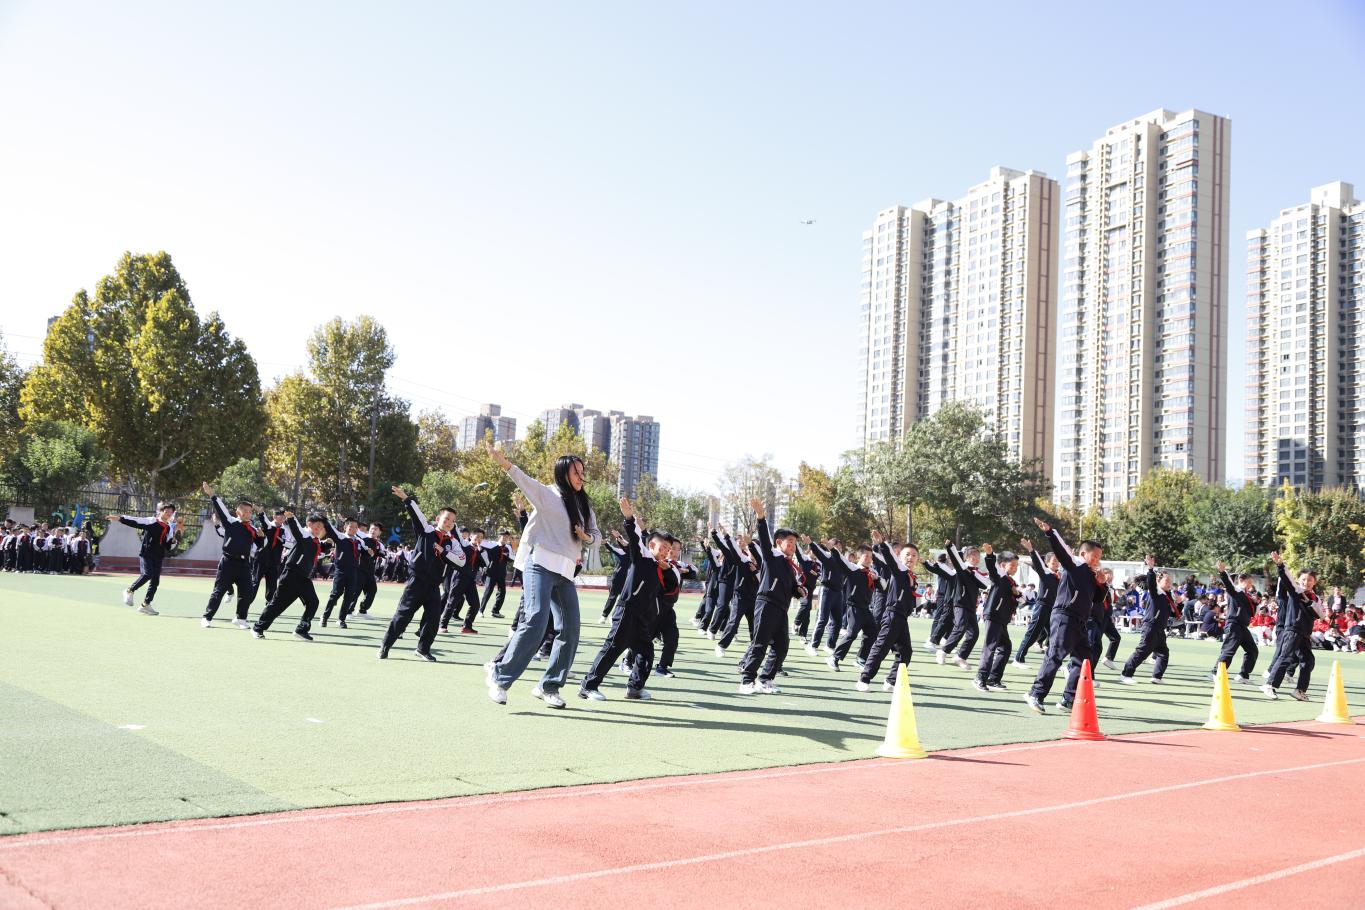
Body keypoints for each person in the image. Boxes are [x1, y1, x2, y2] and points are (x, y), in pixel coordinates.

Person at [484, 444, 600, 708]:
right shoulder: (548, 494)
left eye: (583, 472)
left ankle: (549, 686)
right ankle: (500, 677)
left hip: (565, 573)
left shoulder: (584, 505)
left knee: (570, 629)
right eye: (576, 473)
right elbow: (522, 479)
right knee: (536, 618)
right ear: (562, 473)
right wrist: (503, 462)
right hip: (540, 565)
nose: (581, 477)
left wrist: (587, 537)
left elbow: (597, 537)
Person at [579, 499, 665, 701]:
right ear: (652, 545)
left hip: (641, 618)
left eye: (669, 549)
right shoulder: (642, 556)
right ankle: (588, 686)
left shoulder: (657, 565)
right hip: (627, 612)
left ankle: (634, 688)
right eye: (663, 547)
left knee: (646, 652)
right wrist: (629, 518)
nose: (666, 551)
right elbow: (636, 540)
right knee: (612, 649)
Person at [1025, 517, 1102, 714]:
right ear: (1083, 553)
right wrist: (1050, 532)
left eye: (1099, 558)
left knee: (1084, 660)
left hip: (1080, 621)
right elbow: (1061, 551)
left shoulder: (1092, 575)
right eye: (1094, 557)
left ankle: (1068, 699)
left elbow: (1098, 599)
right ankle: (1036, 693)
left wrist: (1102, 583)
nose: (1097, 561)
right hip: (1064, 616)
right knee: (1055, 656)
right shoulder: (1075, 565)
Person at [379, 486, 465, 662]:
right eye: (446, 519)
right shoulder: (426, 530)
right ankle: (385, 645)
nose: (449, 522)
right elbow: (416, 513)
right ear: (438, 519)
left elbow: (461, 561)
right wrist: (405, 498)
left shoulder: (453, 542)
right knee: (403, 616)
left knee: (433, 619)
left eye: (452, 521)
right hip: (416, 582)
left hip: (434, 586)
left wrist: (444, 552)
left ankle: (423, 649)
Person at [737, 497, 805, 694]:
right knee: (760, 643)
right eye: (789, 542)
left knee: (782, 646)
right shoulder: (772, 555)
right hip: (766, 603)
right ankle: (746, 681)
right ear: (779, 543)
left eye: (794, 543)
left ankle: (765, 679)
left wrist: (798, 591)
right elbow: (764, 540)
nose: (793, 546)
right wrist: (760, 517)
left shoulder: (790, 566)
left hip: (781, 608)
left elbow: (793, 587)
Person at [251, 510, 326, 640]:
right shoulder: (305, 534)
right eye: (317, 526)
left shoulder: (315, 541)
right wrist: (291, 518)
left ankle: (301, 629)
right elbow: (296, 529)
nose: (319, 529)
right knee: (277, 605)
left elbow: (315, 552)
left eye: (321, 527)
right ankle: (258, 628)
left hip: (304, 578)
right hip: (291, 575)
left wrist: (327, 544)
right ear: (309, 524)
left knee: (313, 602)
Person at [199, 483, 264, 629]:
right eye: (245, 510)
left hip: (244, 564)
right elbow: (221, 510)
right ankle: (207, 617)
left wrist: (261, 537)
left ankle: (241, 619)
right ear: (238, 512)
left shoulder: (252, 529)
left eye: (250, 511)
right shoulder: (231, 522)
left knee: (246, 592)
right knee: (219, 591)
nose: (248, 513)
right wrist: (212, 495)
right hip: (228, 562)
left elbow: (259, 545)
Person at [861, 533, 918, 692]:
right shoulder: (899, 569)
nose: (910, 558)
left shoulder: (912, 576)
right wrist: (882, 544)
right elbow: (891, 558)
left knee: (905, 652)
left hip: (902, 618)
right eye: (907, 554)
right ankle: (864, 678)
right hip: (892, 614)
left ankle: (891, 681)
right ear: (900, 556)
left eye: (914, 555)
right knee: (881, 647)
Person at [1262, 550, 1323, 701]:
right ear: (1299, 580)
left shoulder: (1315, 598)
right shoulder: (1295, 591)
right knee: (1285, 657)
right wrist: (1280, 565)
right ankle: (1270, 685)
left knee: (1308, 661)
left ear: (1314, 582)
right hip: (1292, 629)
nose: (1306, 582)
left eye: (1309, 580)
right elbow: (1286, 577)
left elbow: (1321, 614)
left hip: (1304, 633)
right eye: (1303, 579)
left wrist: (1309, 603)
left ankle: (1299, 691)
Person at [110, 502, 177, 615]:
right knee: (147, 574)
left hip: (158, 556)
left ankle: (145, 605)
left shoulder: (169, 527)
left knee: (155, 581)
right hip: (147, 553)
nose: (168, 514)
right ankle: (129, 590)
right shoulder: (152, 521)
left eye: (171, 512)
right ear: (161, 511)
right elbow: (136, 521)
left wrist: (173, 541)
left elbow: (168, 545)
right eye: (166, 511)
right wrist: (120, 518)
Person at [972, 543, 1020, 692]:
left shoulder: (1011, 582)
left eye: (1016, 566)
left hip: (1002, 618)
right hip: (993, 615)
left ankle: (994, 679)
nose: (1015, 568)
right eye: (1012, 566)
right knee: (990, 647)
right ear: (1003, 565)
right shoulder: (999, 576)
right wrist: (990, 554)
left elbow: (1018, 599)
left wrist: (1017, 594)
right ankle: (980, 678)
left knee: (1006, 647)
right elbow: (992, 568)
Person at [1117, 555, 1173, 685]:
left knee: (1163, 653)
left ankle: (1156, 676)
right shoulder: (1156, 592)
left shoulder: (1166, 595)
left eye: (1170, 581)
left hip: (1159, 628)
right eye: (1167, 581)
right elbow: (1152, 583)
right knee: (1142, 651)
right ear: (1159, 582)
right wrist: (1151, 569)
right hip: (1151, 626)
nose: (1169, 583)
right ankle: (1125, 674)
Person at [937, 542, 988, 668]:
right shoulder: (962, 568)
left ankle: (960, 656)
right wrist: (950, 547)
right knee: (960, 627)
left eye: (977, 555)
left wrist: (974, 573)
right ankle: (943, 651)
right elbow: (956, 558)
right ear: (966, 557)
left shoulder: (977, 572)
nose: (976, 557)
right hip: (960, 604)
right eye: (972, 555)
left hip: (971, 606)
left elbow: (985, 584)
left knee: (974, 633)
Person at [1013, 539, 1059, 667]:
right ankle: (1018, 659)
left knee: (1055, 636)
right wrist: (1031, 550)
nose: (1056, 564)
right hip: (1042, 607)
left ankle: (1053, 662)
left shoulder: (1058, 576)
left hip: (1052, 609)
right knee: (1032, 634)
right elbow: (1038, 564)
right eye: (1053, 561)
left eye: (1057, 561)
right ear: (1047, 563)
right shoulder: (1045, 573)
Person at [320, 516, 363, 629]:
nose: (353, 529)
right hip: (340, 571)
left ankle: (341, 619)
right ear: (345, 527)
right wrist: (324, 520)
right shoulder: (340, 537)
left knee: (349, 596)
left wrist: (369, 551)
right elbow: (330, 529)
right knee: (335, 594)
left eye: (355, 527)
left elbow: (366, 550)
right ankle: (325, 617)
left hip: (353, 572)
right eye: (350, 526)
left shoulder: (358, 541)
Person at [254, 510, 287, 604]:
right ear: (274, 516)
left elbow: (290, 544)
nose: (282, 517)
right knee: (255, 582)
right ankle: (245, 604)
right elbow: (264, 521)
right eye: (279, 515)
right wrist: (261, 513)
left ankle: (269, 605)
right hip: (261, 559)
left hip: (274, 561)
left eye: (283, 516)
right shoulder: (268, 526)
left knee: (272, 585)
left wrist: (283, 542)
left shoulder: (285, 530)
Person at [479, 530, 513, 618]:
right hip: (491, 571)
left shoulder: (508, 547)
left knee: (502, 592)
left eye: (507, 537)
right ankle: (480, 611)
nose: (505, 538)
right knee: (488, 591)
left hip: (502, 572)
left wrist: (509, 556)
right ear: (499, 537)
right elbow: (480, 545)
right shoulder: (492, 544)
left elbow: (511, 557)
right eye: (503, 536)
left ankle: (496, 611)